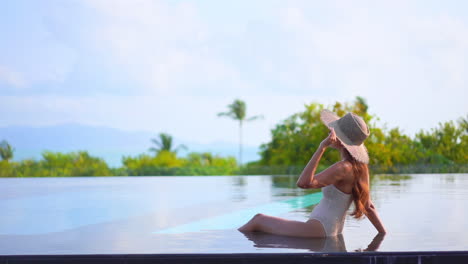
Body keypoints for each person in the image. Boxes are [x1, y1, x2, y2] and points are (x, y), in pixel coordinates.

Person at [238, 109, 387, 237]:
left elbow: (303, 183)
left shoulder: (343, 168)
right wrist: (383, 235)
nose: (330, 131)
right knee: (259, 223)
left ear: (341, 139)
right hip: (330, 229)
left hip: (319, 228)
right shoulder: (361, 169)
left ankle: (224, 249)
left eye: (335, 130)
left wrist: (322, 147)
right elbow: (369, 207)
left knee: (258, 220)